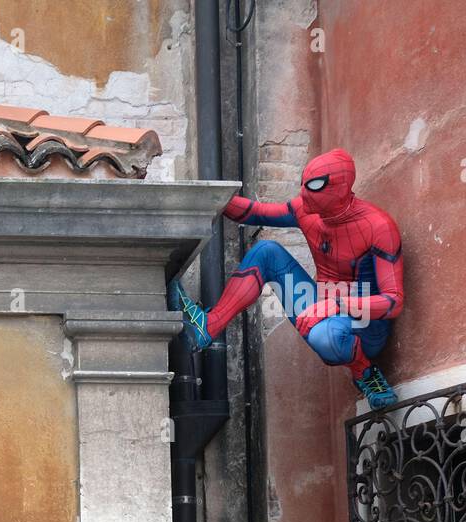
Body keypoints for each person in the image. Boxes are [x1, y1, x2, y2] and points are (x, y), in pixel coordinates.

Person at [169, 148, 403, 409]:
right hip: (322, 309)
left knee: (325, 336)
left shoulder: (378, 227)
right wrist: (210, 196)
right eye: (303, 183)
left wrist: (337, 305)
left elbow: (393, 302)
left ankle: (365, 374)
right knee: (266, 252)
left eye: (314, 186)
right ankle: (206, 329)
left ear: (341, 187)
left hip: (366, 326)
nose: (304, 193)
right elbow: (253, 213)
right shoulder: (307, 210)